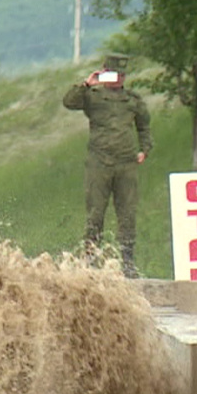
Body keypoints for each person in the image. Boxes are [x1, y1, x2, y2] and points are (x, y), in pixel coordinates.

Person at [62, 53, 153, 277]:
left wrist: (144, 149)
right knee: (95, 213)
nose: (118, 79)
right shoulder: (92, 97)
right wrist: (86, 83)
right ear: (104, 72)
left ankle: (128, 262)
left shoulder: (132, 100)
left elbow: (144, 126)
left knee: (127, 213)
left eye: (121, 75)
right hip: (99, 162)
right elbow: (69, 102)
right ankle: (91, 258)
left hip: (125, 163)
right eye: (113, 74)